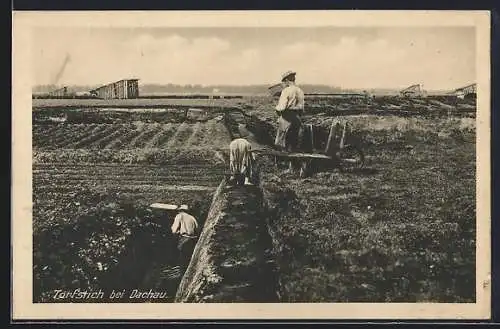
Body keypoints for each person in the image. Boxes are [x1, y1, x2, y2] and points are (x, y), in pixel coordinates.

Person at [274, 70, 305, 173]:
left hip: (287, 118)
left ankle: (286, 167)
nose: (283, 84)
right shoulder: (300, 91)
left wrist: (277, 110)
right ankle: (294, 167)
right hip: (297, 118)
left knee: (282, 143)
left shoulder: (286, 91)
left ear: (286, 80)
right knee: (294, 143)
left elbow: (281, 107)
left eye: (284, 82)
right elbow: (302, 108)